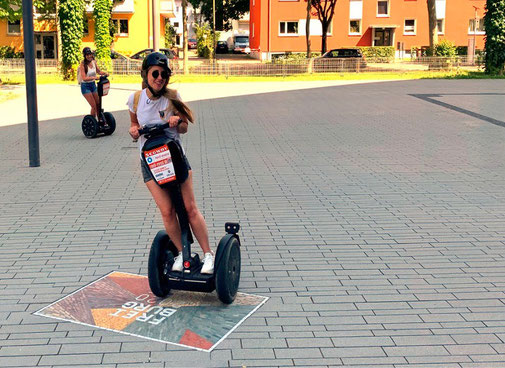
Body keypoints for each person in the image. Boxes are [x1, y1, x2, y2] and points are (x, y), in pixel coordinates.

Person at [127, 52, 214, 274]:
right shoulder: (135, 99)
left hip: (174, 157)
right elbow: (133, 125)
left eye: (164, 74)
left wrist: (177, 121)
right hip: (150, 161)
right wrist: (133, 131)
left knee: (189, 208)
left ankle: (208, 255)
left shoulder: (173, 97)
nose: (159, 78)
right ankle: (180, 253)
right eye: (155, 73)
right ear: (146, 74)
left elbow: (184, 127)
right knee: (167, 211)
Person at [79, 47, 108, 119]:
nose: (89, 56)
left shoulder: (94, 62)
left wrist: (105, 73)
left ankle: (100, 121)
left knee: (98, 104)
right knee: (94, 106)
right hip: (85, 86)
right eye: (87, 55)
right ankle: (93, 122)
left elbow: (99, 71)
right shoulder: (82, 64)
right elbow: (84, 78)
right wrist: (95, 77)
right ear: (85, 56)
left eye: (90, 54)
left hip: (93, 85)